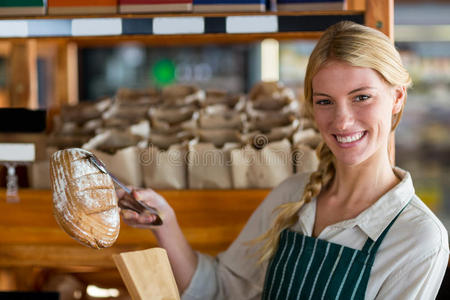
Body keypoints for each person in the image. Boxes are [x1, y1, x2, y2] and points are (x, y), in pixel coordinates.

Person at [118, 21, 449, 299]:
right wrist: (166, 222)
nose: (342, 121)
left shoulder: (418, 239)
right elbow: (220, 289)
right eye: (325, 102)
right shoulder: (293, 194)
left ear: (397, 97)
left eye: (361, 97)